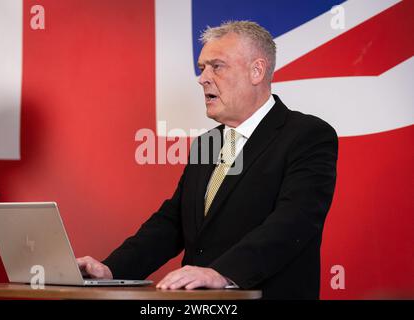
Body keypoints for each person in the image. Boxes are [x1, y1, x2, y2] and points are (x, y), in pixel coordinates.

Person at [77, 20, 338, 299]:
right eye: (203, 68)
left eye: (217, 66)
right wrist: (111, 270)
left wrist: (222, 273)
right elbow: (172, 223)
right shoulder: (208, 143)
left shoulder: (308, 135)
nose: (203, 78)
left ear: (256, 71)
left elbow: (293, 222)